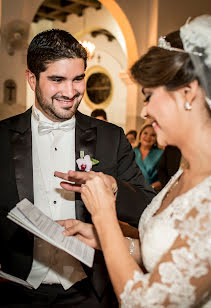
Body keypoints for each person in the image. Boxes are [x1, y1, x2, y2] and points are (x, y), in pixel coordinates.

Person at [56, 15, 211, 307]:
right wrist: (105, 238)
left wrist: (103, 216)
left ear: (188, 93)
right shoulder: (184, 171)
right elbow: (168, 256)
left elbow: (146, 302)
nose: (144, 112)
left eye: (149, 96)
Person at [0, 29, 155, 306]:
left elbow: (147, 208)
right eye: (57, 80)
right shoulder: (1, 138)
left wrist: (114, 187)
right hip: (16, 291)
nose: (70, 92)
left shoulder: (111, 137)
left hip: (89, 292)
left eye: (78, 79)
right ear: (31, 79)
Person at [133, 123, 163, 191]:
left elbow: (164, 178)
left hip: (152, 193)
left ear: (156, 138)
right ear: (140, 135)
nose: (148, 137)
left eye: (153, 135)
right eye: (145, 133)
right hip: (131, 191)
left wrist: (149, 188)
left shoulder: (161, 154)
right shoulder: (130, 152)